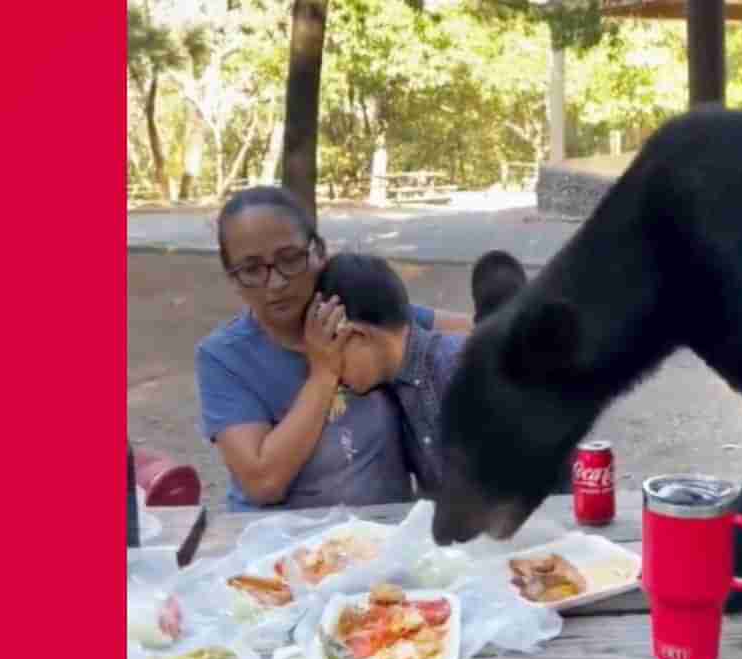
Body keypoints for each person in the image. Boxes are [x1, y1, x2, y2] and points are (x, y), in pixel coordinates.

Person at [195, 186, 472, 511]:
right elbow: (263, 482)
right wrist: (323, 374)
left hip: (384, 538)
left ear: (319, 252)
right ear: (233, 278)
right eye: (252, 269)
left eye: (290, 259)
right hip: (280, 546)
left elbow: (480, 329)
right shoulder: (224, 358)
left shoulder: (353, 307)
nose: (277, 282)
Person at [314, 252, 525, 496]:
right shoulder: (395, 388)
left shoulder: (457, 371)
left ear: (357, 335)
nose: (331, 370)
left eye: (331, 351)